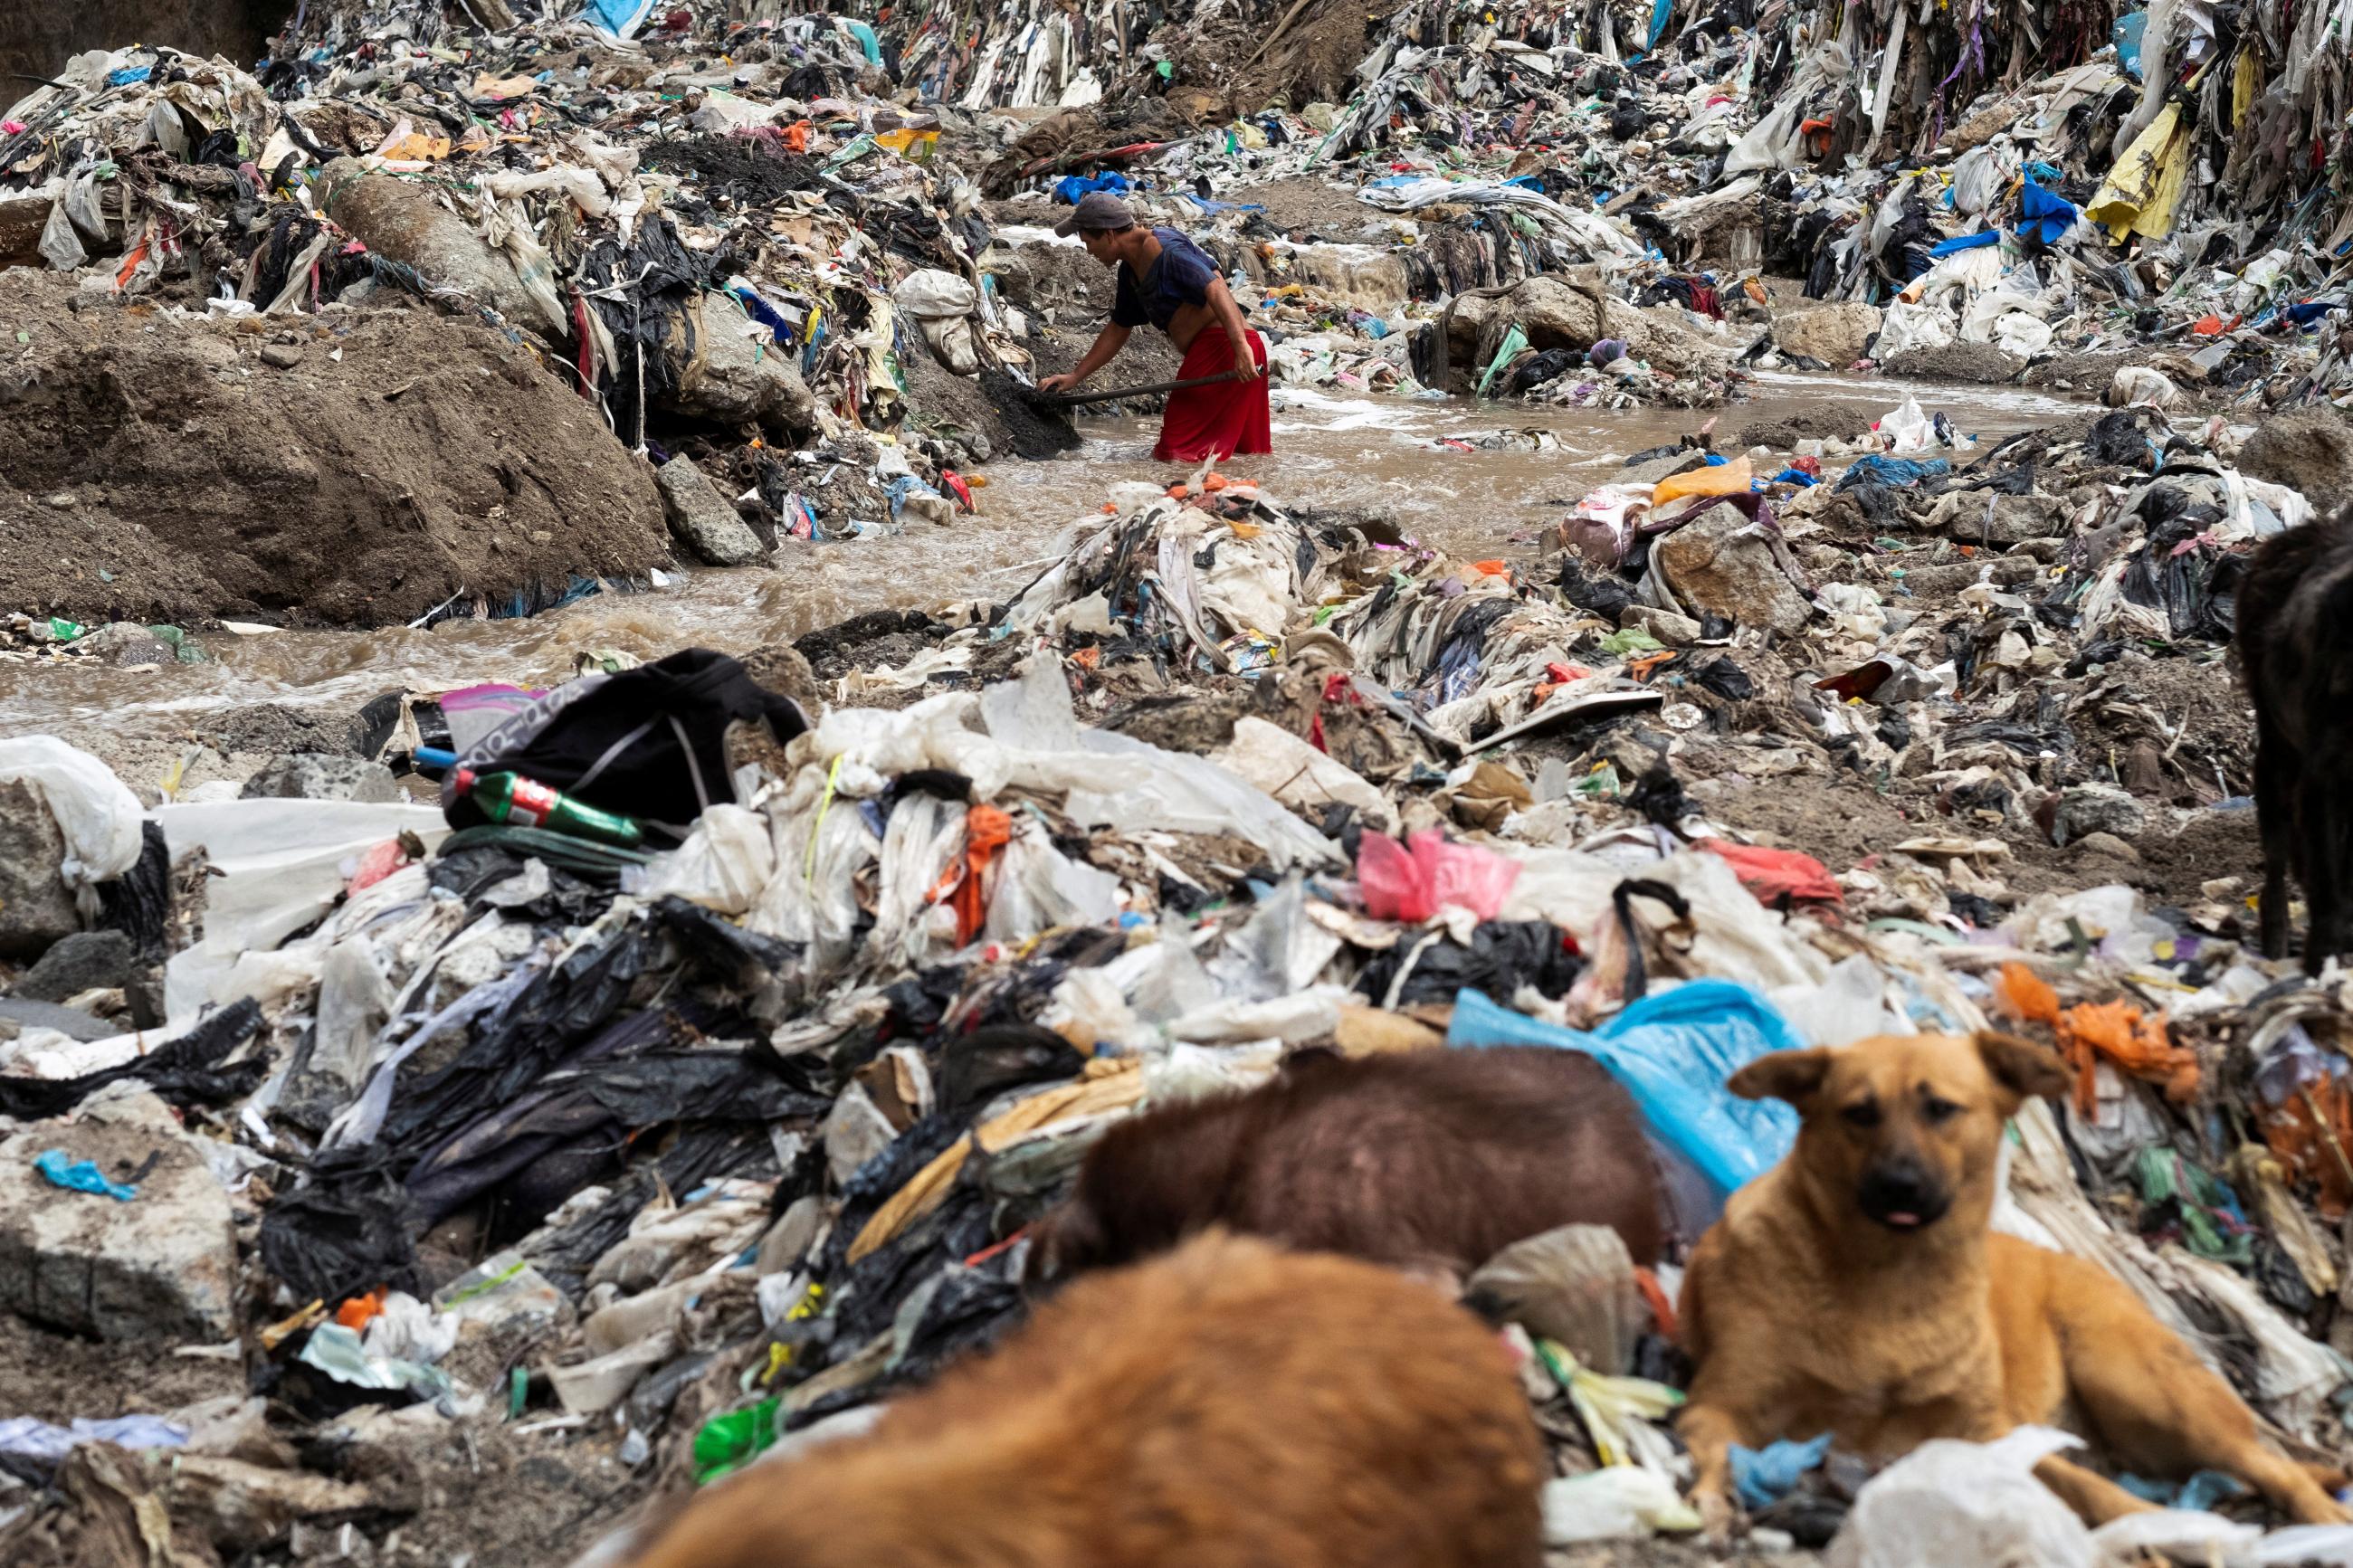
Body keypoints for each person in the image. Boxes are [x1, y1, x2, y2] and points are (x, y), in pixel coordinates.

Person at [1035, 192, 1271, 463]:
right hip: (1236, 350)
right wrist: (1075, 376)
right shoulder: (1130, 271)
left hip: (1226, 351)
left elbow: (1215, 287)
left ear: (1109, 234)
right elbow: (1118, 328)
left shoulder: (1166, 249)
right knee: (1243, 456)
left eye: (1088, 242)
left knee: (1175, 454)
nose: (1089, 251)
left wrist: (1240, 349)